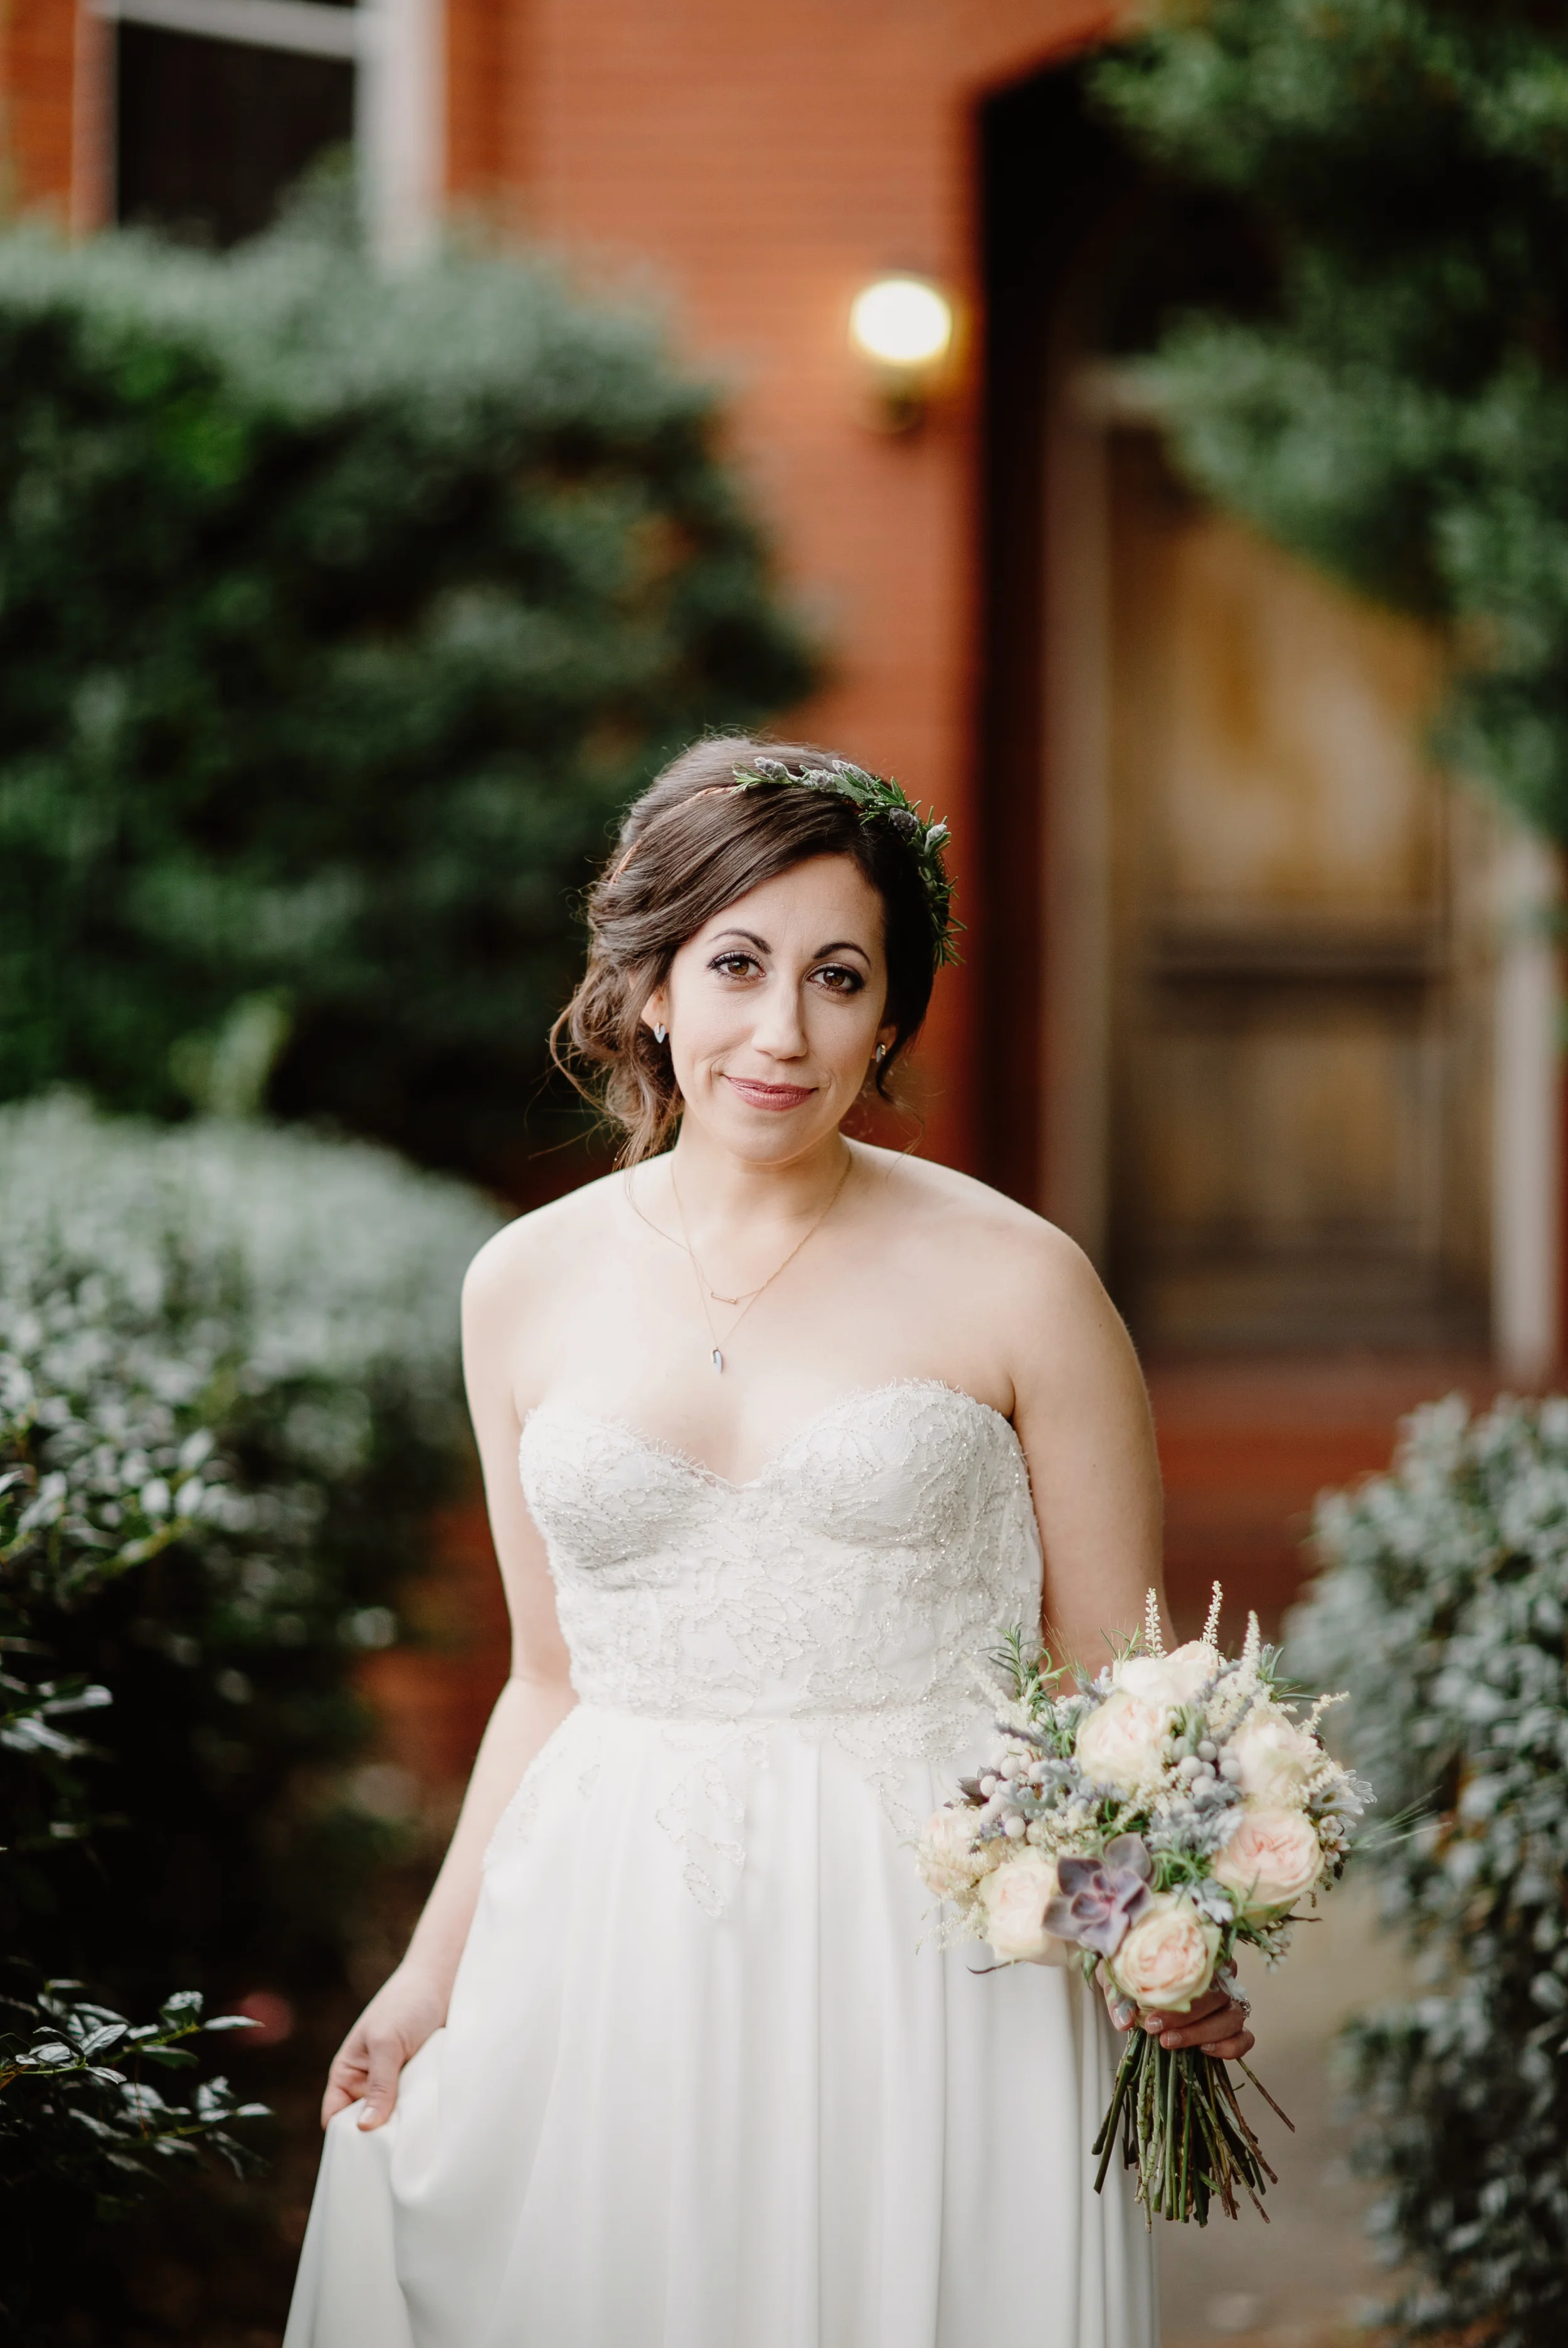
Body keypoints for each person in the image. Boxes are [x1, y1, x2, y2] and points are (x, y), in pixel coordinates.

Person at [283, 736, 1253, 2348]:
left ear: (891, 1014)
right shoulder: (520, 1284)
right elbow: (544, 1682)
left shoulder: (1020, 1282)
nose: (781, 1032)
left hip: (939, 1951)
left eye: (838, 977)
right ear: (651, 987)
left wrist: (1145, 1938)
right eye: (735, 965)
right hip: (612, 1937)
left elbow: (1112, 1692)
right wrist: (430, 1974)